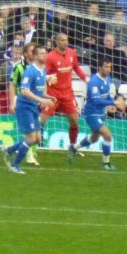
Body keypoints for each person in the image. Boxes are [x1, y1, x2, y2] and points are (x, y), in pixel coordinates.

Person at [2, 44, 56, 175]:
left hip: (33, 107)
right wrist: (42, 100)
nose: (45, 56)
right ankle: (14, 165)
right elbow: (24, 91)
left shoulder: (43, 69)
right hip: (24, 106)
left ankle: (9, 150)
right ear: (36, 56)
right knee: (31, 138)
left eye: (46, 53)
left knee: (37, 139)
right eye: (42, 54)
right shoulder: (30, 71)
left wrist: (48, 97)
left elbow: (37, 90)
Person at [41, 33, 87, 161]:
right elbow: (45, 76)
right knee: (41, 121)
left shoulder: (72, 53)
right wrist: (45, 94)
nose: (65, 42)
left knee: (74, 121)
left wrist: (85, 78)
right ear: (56, 42)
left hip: (67, 94)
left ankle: (72, 147)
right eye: (62, 40)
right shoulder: (50, 57)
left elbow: (76, 67)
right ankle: (34, 146)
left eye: (66, 40)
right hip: (53, 94)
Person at [70, 59, 116, 171]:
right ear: (99, 68)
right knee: (107, 135)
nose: (108, 69)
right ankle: (106, 163)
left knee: (95, 138)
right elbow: (96, 101)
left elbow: (107, 95)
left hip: (101, 112)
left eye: (109, 67)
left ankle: (74, 148)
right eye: (106, 66)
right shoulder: (94, 82)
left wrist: (112, 102)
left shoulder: (108, 79)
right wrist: (113, 102)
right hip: (91, 113)